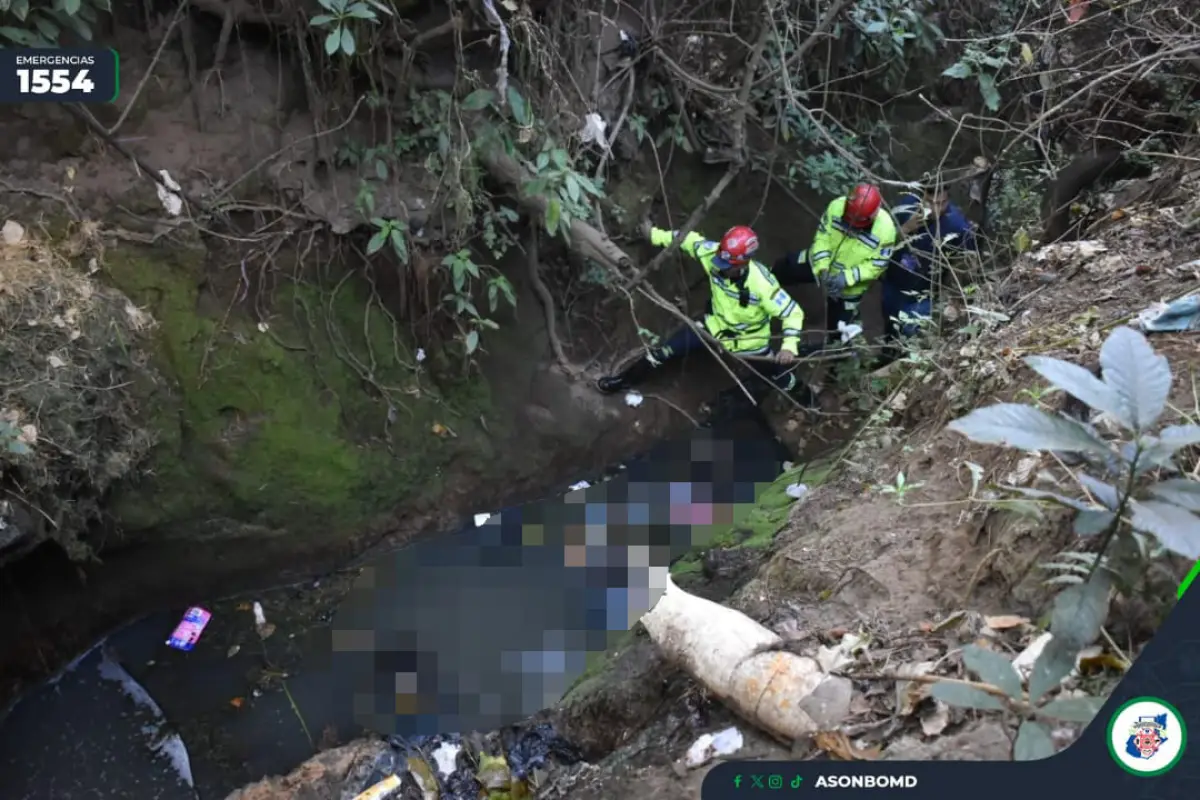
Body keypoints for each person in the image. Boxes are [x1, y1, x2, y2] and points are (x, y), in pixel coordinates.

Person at [596, 223, 806, 396]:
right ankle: (623, 381)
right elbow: (688, 239)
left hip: (749, 342)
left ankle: (803, 396)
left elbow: (792, 312)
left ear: (742, 264)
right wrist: (654, 234)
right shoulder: (713, 253)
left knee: (777, 375)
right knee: (662, 352)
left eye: (726, 266)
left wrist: (789, 346)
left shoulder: (762, 284)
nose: (719, 267)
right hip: (712, 326)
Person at [771, 183, 897, 336]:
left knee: (839, 327)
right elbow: (822, 238)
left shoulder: (886, 229)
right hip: (818, 263)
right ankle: (763, 283)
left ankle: (832, 347)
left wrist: (846, 278)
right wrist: (823, 269)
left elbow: (876, 265)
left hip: (849, 288)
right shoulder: (837, 206)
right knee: (784, 268)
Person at [883, 183, 978, 337]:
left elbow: (964, 269)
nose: (935, 209)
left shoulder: (958, 227)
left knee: (909, 330)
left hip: (923, 294)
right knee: (886, 323)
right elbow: (882, 241)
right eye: (929, 202)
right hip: (893, 284)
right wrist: (905, 229)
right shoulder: (907, 207)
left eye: (942, 203)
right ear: (921, 198)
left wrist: (949, 298)